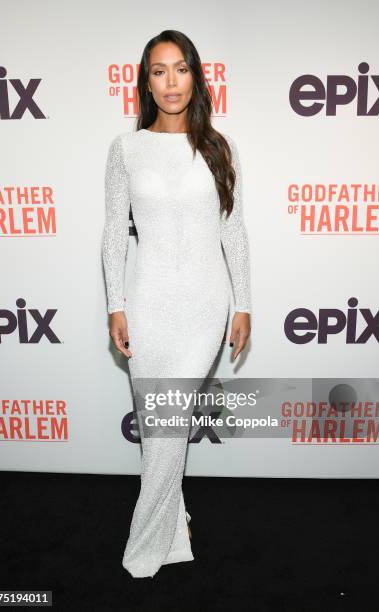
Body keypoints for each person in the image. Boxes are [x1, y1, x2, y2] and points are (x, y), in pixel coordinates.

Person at [102, 29, 252, 578]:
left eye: (181, 68)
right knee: (156, 422)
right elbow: (114, 234)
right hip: (146, 302)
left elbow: (232, 232)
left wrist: (244, 306)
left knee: (167, 424)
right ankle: (175, 524)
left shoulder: (219, 146)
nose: (171, 81)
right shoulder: (126, 149)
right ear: (145, 80)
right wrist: (116, 305)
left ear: (196, 77)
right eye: (160, 70)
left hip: (204, 303)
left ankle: (144, 544)